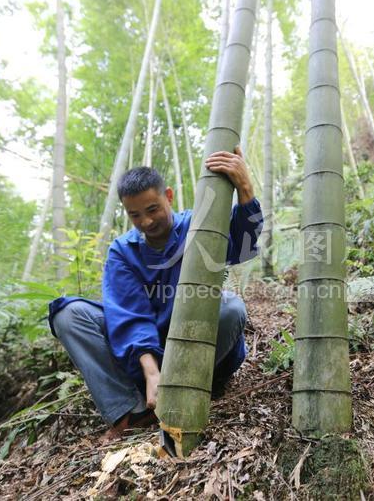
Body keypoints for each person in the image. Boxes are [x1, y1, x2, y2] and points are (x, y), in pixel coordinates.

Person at [48, 146, 263, 440]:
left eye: (152, 209)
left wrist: (245, 190)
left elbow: (243, 248)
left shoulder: (197, 227)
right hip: (143, 361)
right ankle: (131, 411)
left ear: (169, 196)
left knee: (231, 308)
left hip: (200, 351)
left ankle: (181, 392)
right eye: (135, 215)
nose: (146, 221)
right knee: (69, 315)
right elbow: (130, 315)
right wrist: (151, 372)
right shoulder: (123, 251)